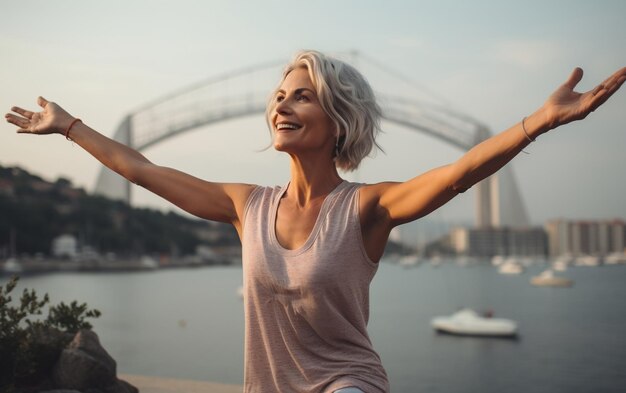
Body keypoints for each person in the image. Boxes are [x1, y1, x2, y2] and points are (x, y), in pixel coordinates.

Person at [5, 50, 625, 393]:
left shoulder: (367, 208)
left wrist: (540, 121)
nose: (282, 102)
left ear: (339, 120)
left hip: (348, 385)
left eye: (301, 95)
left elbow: (459, 174)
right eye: (279, 95)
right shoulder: (244, 205)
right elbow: (139, 170)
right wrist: (68, 126)